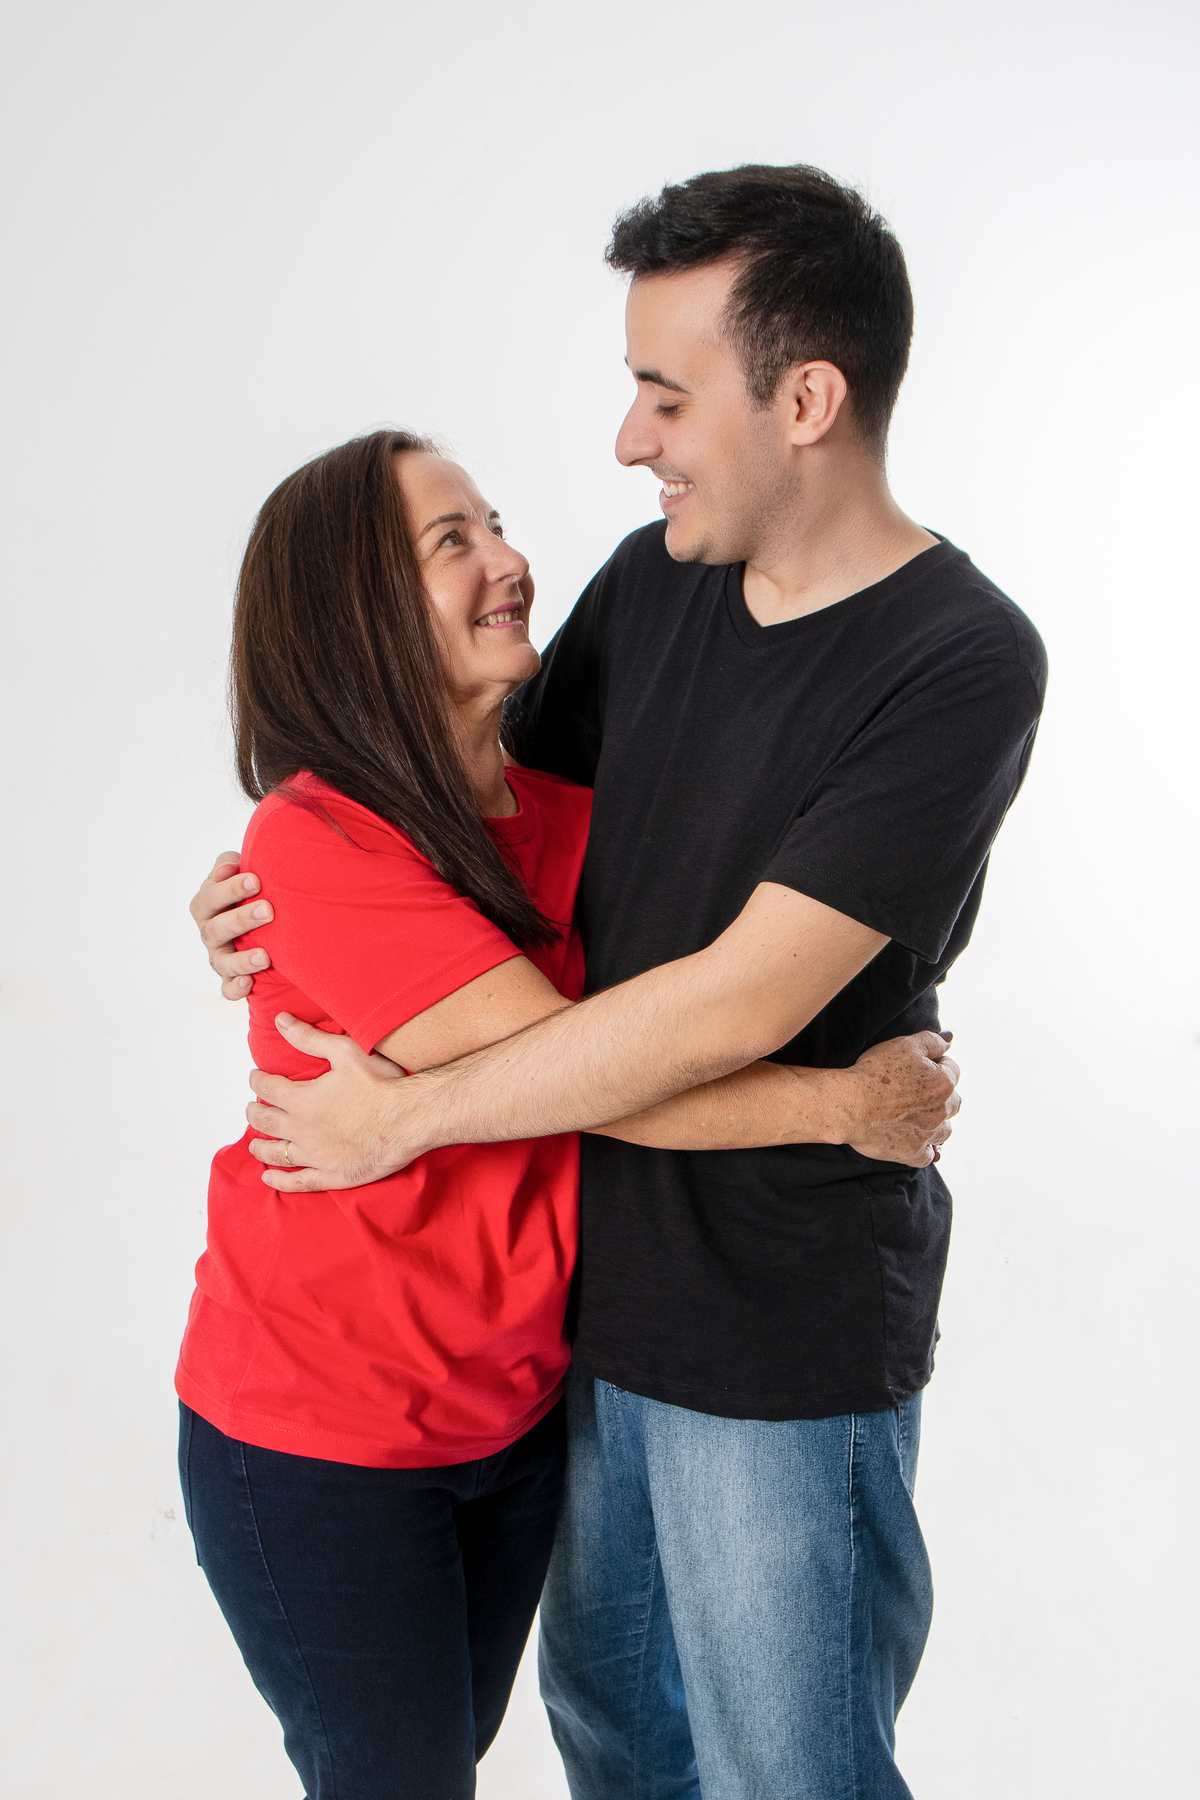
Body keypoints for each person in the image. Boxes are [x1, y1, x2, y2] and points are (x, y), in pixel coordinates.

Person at [194, 165, 1044, 1798]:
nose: (627, 439)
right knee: (624, 1752)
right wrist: (261, 896)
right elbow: (449, 798)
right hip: (577, 1333)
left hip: (774, 1326)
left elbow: (731, 1000)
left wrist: (407, 1119)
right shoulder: (657, 585)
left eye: (665, 393)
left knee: (787, 1770)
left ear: (807, 398)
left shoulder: (958, 659)